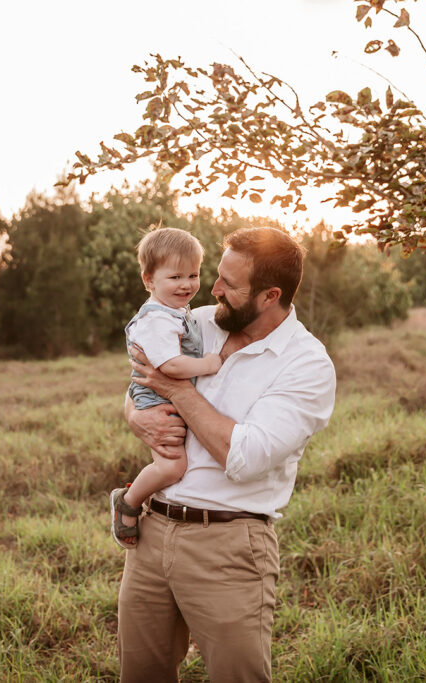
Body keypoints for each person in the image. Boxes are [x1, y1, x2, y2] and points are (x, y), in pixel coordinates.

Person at [118, 226, 336, 682]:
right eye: (214, 276)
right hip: (152, 533)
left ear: (269, 295)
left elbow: (243, 457)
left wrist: (175, 387)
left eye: (228, 285)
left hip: (229, 545)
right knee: (141, 674)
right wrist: (135, 418)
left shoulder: (306, 364)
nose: (211, 290)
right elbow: (141, 380)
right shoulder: (195, 321)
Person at [109, 227, 223, 550]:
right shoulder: (158, 320)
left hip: (164, 398)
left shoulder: (178, 313)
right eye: (175, 277)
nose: (187, 284)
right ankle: (127, 503)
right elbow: (170, 366)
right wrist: (209, 364)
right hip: (157, 403)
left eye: (193, 274)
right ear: (149, 281)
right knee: (172, 466)